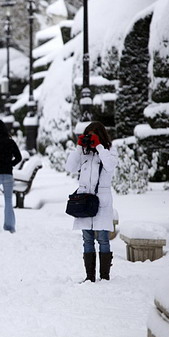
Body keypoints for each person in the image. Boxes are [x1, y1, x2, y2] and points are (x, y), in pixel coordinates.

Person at [65, 121, 118, 283]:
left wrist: (100, 147)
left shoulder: (109, 151)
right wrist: (79, 147)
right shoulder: (84, 153)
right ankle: (89, 277)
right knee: (87, 239)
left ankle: (104, 276)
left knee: (103, 238)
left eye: (94, 135)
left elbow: (110, 166)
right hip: (84, 200)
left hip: (101, 200)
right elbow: (70, 167)